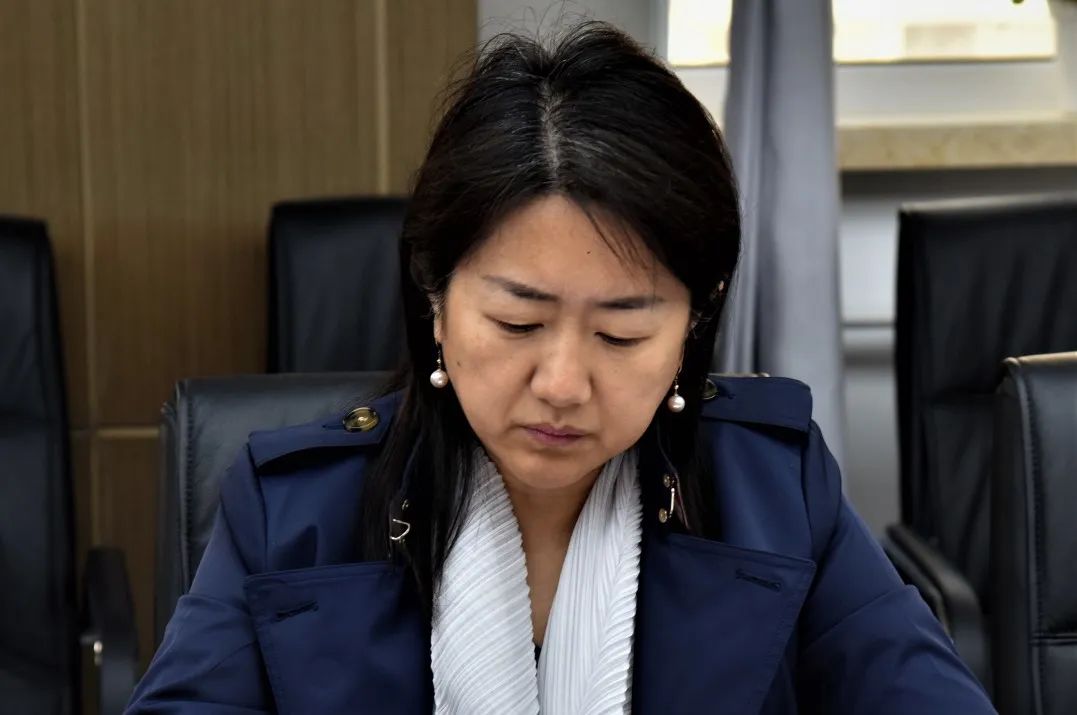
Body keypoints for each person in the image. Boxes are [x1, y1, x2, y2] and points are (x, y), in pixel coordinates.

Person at [126, 21, 995, 715]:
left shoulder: (774, 487)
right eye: (517, 322)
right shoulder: (291, 508)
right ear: (434, 298)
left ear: (695, 320)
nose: (562, 383)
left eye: (621, 334)